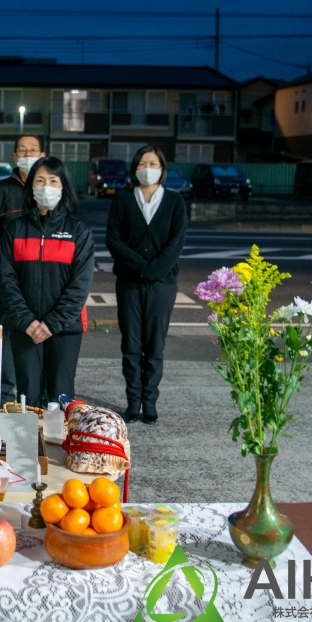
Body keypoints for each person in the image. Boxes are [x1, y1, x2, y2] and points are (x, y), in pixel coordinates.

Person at [0, 157, 94, 408]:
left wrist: (51, 323)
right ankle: (30, 447)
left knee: (61, 398)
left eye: (53, 181)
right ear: (30, 188)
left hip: (65, 329)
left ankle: (59, 446)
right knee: (28, 397)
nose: (46, 186)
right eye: (39, 180)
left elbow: (80, 286)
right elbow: (7, 282)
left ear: (64, 187)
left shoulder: (78, 231)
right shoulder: (14, 229)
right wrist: (27, 321)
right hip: (24, 329)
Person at [106, 145, 187, 424]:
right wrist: (141, 267)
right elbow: (114, 240)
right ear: (134, 169)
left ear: (162, 169)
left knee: (155, 346)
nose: (147, 169)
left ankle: (149, 402)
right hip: (129, 282)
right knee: (131, 344)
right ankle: (133, 401)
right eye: (141, 164)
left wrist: (154, 271)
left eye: (152, 163)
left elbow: (176, 243)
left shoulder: (175, 202)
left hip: (162, 284)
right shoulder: (123, 200)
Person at [0, 135, 45, 405]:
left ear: (42, 154)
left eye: (32, 149)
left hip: (45, 278)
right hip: (11, 278)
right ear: (14, 156)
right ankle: (7, 396)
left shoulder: (49, 187)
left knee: (42, 333)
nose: (27, 153)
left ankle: (39, 397)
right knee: (10, 336)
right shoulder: (1, 191)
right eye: (22, 149)